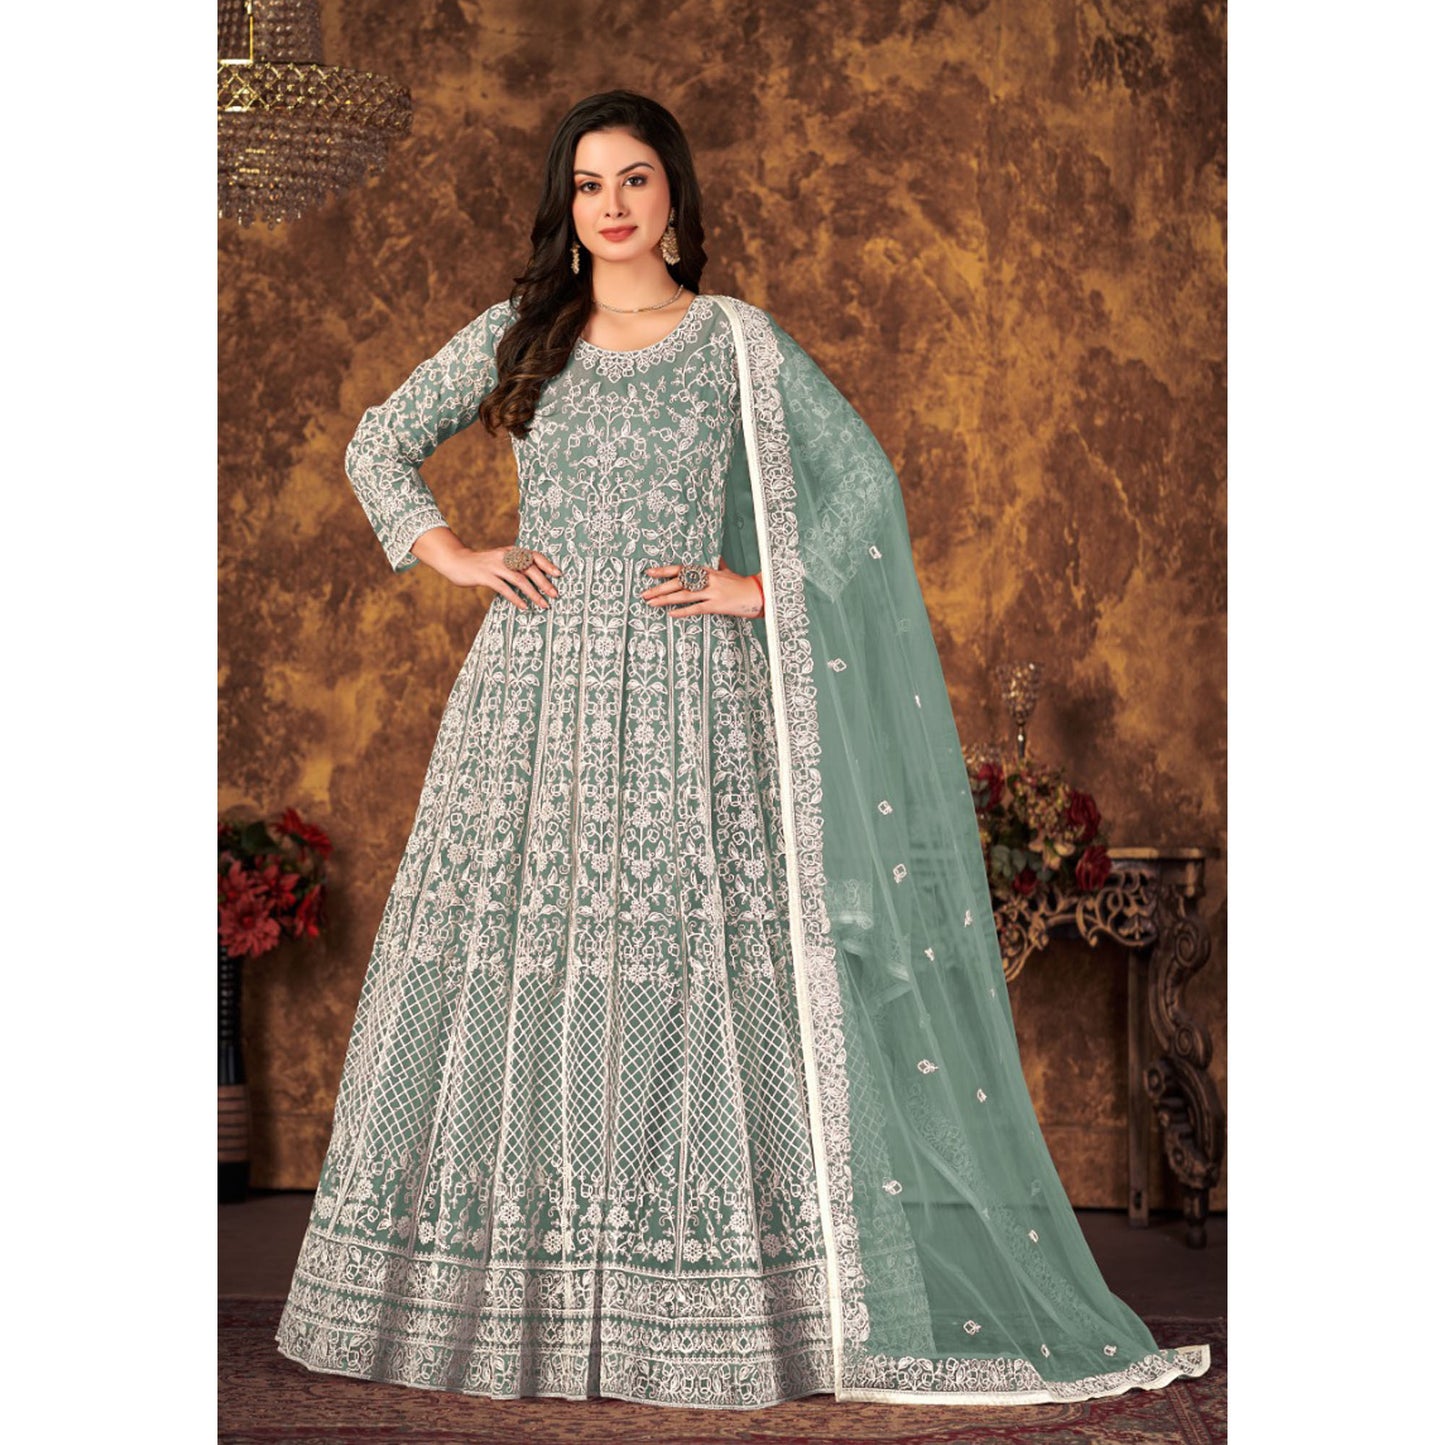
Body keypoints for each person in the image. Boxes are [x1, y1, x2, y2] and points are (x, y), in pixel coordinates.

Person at [275, 89, 1211, 1410]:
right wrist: (455, 554)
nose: (610, 205)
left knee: (688, 979)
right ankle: (529, 1296)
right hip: (533, 705)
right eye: (588, 183)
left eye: (634, 178)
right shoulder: (521, 333)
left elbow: (862, 489)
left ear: (674, 194)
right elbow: (378, 442)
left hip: (692, 701)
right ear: (566, 205)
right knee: (541, 969)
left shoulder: (735, 343)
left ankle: (708, 1301)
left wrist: (760, 590)